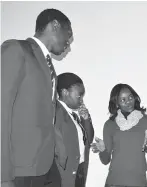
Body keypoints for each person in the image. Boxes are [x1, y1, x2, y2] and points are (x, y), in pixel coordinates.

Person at [1, 8, 73, 187]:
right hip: (20, 169)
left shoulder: (50, 68)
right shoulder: (16, 49)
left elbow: (48, 116)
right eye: (68, 35)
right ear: (55, 25)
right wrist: (3, 175)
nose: (68, 43)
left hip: (45, 165)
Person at [91, 83, 147, 187]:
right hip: (114, 182)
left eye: (130, 97)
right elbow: (105, 161)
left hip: (138, 182)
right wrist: (103, 150)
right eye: (123, 100)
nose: (128, 102)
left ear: (135, 97)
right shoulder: (110, 124)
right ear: (116, 103)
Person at [51, 73, 94, 187]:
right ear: (65, 92)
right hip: (63, 175)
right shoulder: (55, 111)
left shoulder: (73, 116)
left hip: (78, 172)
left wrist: (86, 120)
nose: (81, 100)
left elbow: (88, 140)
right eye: (79, 96)